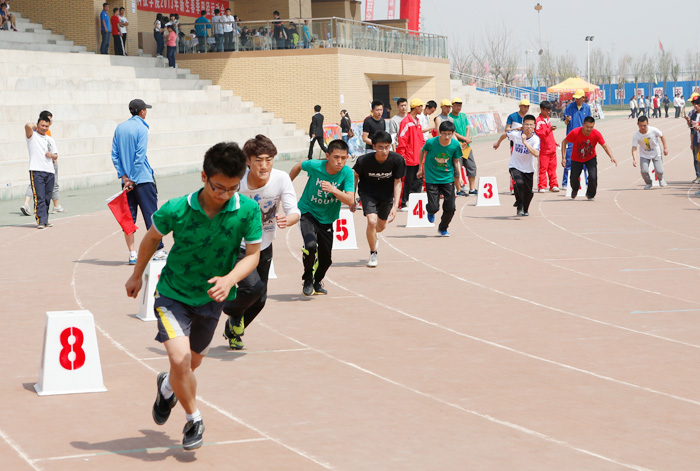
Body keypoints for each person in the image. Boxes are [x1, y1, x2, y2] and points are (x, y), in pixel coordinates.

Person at [126, 142, 262, 451]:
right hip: (173, 293)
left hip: (211, 300)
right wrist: (137, 275)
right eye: (218, 187)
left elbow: (252, 256)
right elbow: (150, 238)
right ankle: (194, 419)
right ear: (204, 176)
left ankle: (166, 386)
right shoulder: (177, 208)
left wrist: (229, 280)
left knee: (188, 367)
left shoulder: (247, 210)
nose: (224, 194)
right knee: (180, 359)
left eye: (231, 188)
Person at [222, 135, 300, 350]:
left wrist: (288, 219)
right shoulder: (237, 181)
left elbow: (294, 211)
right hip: (236, 245)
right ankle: (222, 307)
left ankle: (233, 329)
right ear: (248, 161)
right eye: (258, 160)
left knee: (260, 300)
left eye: (268, 159)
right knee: (252, 289)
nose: (264, 166)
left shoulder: (282, 178)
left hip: (263, 245)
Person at [289, 140, 355, 296]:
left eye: (344, 158)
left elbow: (351, 200)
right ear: (327, 156)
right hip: (307, 211)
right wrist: (286, 185)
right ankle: (307, 279)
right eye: (336, 157)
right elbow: (299, 165)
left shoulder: (347, 173)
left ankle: (317, 281)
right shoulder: (315, 166)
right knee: (311, 245)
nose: (340, 161)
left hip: (327, 218)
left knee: (326, 260)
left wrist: (334, 190)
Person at [111, 99, 167, 264]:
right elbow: (139, 155)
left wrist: (124, 176)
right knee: (151, 214)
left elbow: (115, 154)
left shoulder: (120, 128)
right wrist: (134, 178)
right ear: (142, 111)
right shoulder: (142, 127)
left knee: (129, 218)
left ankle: (132, 253)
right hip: (141, 179)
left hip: (127, 181)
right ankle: (158, 251)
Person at [351, 131, 405, 267]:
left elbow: (398, 182)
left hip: (386, 196)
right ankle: (373, 252)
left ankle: (375, 236)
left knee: (380, 226)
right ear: (374, 146)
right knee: (371, 221)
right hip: (368, 193)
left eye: (387, 147)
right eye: (380, 147)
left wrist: (395, 206)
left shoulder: (397, 160)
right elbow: (355, 175)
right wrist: (352, 197)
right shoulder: (363, 161)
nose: (384, 151)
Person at [416, 121, 462, 236]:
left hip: (447, 178)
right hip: (432, 178)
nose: (447, 137)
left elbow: (456, 162)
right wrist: (420, 168)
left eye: (449, 134)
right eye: (444, 133)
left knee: (450, 208)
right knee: (433, 207)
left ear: (453, 133)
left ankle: (443, 228)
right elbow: (422, 151)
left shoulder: (455, 145)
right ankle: (430, 211)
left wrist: (459, 176)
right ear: (439, 133)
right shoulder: (431, 142)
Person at [560, 116, 617, 201]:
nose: (589, 129)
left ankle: (590, 194)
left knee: (593, 177)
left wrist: (611, 157)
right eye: (587, 127)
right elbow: (564, 142)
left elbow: (605, 146)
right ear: (583, 124)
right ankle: (575, 188)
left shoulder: (596, 134)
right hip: (576, 158)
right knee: (573, 178)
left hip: (590, 158)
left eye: (591, 127)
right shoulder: (575, 132)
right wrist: (563, 158)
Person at [25, 115, 58, 229]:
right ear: (38, 125)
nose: (44, 128)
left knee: (47, 197)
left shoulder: (50, 139)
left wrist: (51, 155)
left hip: (49, 171)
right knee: (39, 196)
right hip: (37, 170)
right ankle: (40, 220)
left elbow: (56, 155)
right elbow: (28, 126)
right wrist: (36, 125)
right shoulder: (32, 136)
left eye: (47, 126)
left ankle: (45, 219)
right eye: (42, 125)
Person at [503, 115, 540, 216]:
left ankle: (525, 208)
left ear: (534, 126)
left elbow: (536, 154)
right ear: (523, 125)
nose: (528, 127)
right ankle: (519, 202)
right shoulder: (516, 134)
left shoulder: (535, 139)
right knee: (519, 182)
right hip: (514, 165)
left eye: (531, 125)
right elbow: (505, 134)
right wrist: (497, 143)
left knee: (529, 193)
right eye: (526, 124)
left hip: (528, 169)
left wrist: (525, 143)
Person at [397, 98, 426, 209]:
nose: (422, 109)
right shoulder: (406, 122)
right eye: (421, 107)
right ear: (416, 107)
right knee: (407, 182)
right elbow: (402, 140)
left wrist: (424, 150)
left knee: (418, 181)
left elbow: (421, 139)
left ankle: (415, 203)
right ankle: (404, 203)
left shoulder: (417, 121)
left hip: (418, 158)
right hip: (409, 158)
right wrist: (402, 156)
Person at [561, 89, 591, 188]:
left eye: (579, 98)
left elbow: (589, 123)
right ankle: (565, 183)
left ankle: (584, 182)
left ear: (583, 98)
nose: (577, 100)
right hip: (572, 138)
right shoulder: (569, 107)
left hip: (583, 138)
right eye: (576, 98)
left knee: (584, 161)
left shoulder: (587, 108)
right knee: (569, 160)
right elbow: (565, 122)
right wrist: (567, 120)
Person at [448, 97, 477, 194]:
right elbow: (453, 132)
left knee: (471, 166)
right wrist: (465, 139)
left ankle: (472, 189)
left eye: (460, 105)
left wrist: (467, 140)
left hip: (466, 146)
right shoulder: (450, 118)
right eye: (456, 105)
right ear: (452, 106)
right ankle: (459, 189)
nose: (458, 107)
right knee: (457, 168)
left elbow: (467, 128)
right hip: (457, 145)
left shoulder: (463, 116)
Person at [631, 115, 668, 189]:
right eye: (641, 125)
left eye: (644, 125)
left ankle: (661, 179)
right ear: (638, 124)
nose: (643, 127)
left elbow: (662, 136)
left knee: (659, 171)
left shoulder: (653, 130)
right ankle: (648, 183)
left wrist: (665, 148)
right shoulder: (636, 135)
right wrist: (634, 159)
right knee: (644, 171)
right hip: (644, 154)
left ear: (648, 123)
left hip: (656, 153)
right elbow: (634, 148)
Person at [535, 101, 559, 192]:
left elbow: (549, 134)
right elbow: (539, 134)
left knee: (552, 168)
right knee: (543, 168)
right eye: (546, 110)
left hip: (551, 148)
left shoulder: (548, 119)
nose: (548, 112)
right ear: (541, 109)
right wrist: (549, 129)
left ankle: (553, 185)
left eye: (549, 110)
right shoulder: (538, 121)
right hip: (543, 149)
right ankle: (542, 186)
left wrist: (554, 142)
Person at [684, 95, 700, 184]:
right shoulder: (692, 114)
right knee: (697, 158)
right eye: (694, 103)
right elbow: (691, 128)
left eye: (697, 103)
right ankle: (698, 176)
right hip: (696, 139)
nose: (695, 105)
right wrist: (688, 120)